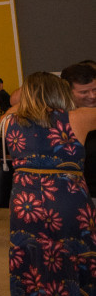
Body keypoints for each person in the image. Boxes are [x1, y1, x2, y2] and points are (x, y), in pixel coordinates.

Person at [7, 72, 96, 296]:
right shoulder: (78, 117)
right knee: (72, 254)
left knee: (31, 256)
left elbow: (14, 101)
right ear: (61, 92)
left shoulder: (9, 120)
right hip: (66, 199)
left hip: (25, 202)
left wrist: (31, 95)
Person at [62, 62, 96, 203]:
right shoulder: (61, 118)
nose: (92, 96)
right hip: (79, 194)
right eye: (84, 92)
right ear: (67, 92)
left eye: (95, 90)